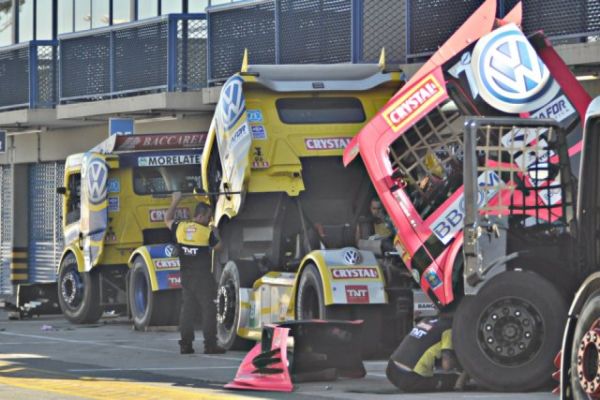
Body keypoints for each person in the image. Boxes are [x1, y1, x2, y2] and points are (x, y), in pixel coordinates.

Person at [164, 191, 226, 355]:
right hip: (203, 277)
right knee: (208, 310)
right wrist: (217, 233)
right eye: (208, 217)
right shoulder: (206, 233)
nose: (209, 220)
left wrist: (175, 200)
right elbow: (219, 247)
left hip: (186, 276)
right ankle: (210, 345)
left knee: (187, 310)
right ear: (201, 215)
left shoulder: (181, 228)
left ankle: (185, 345)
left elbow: (167, 219)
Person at [386, 315, 462, 392]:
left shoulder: (427, 320)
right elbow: (447, 366)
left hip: (391, 370)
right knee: (454, 379)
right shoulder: (448, 330)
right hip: (410, 379)